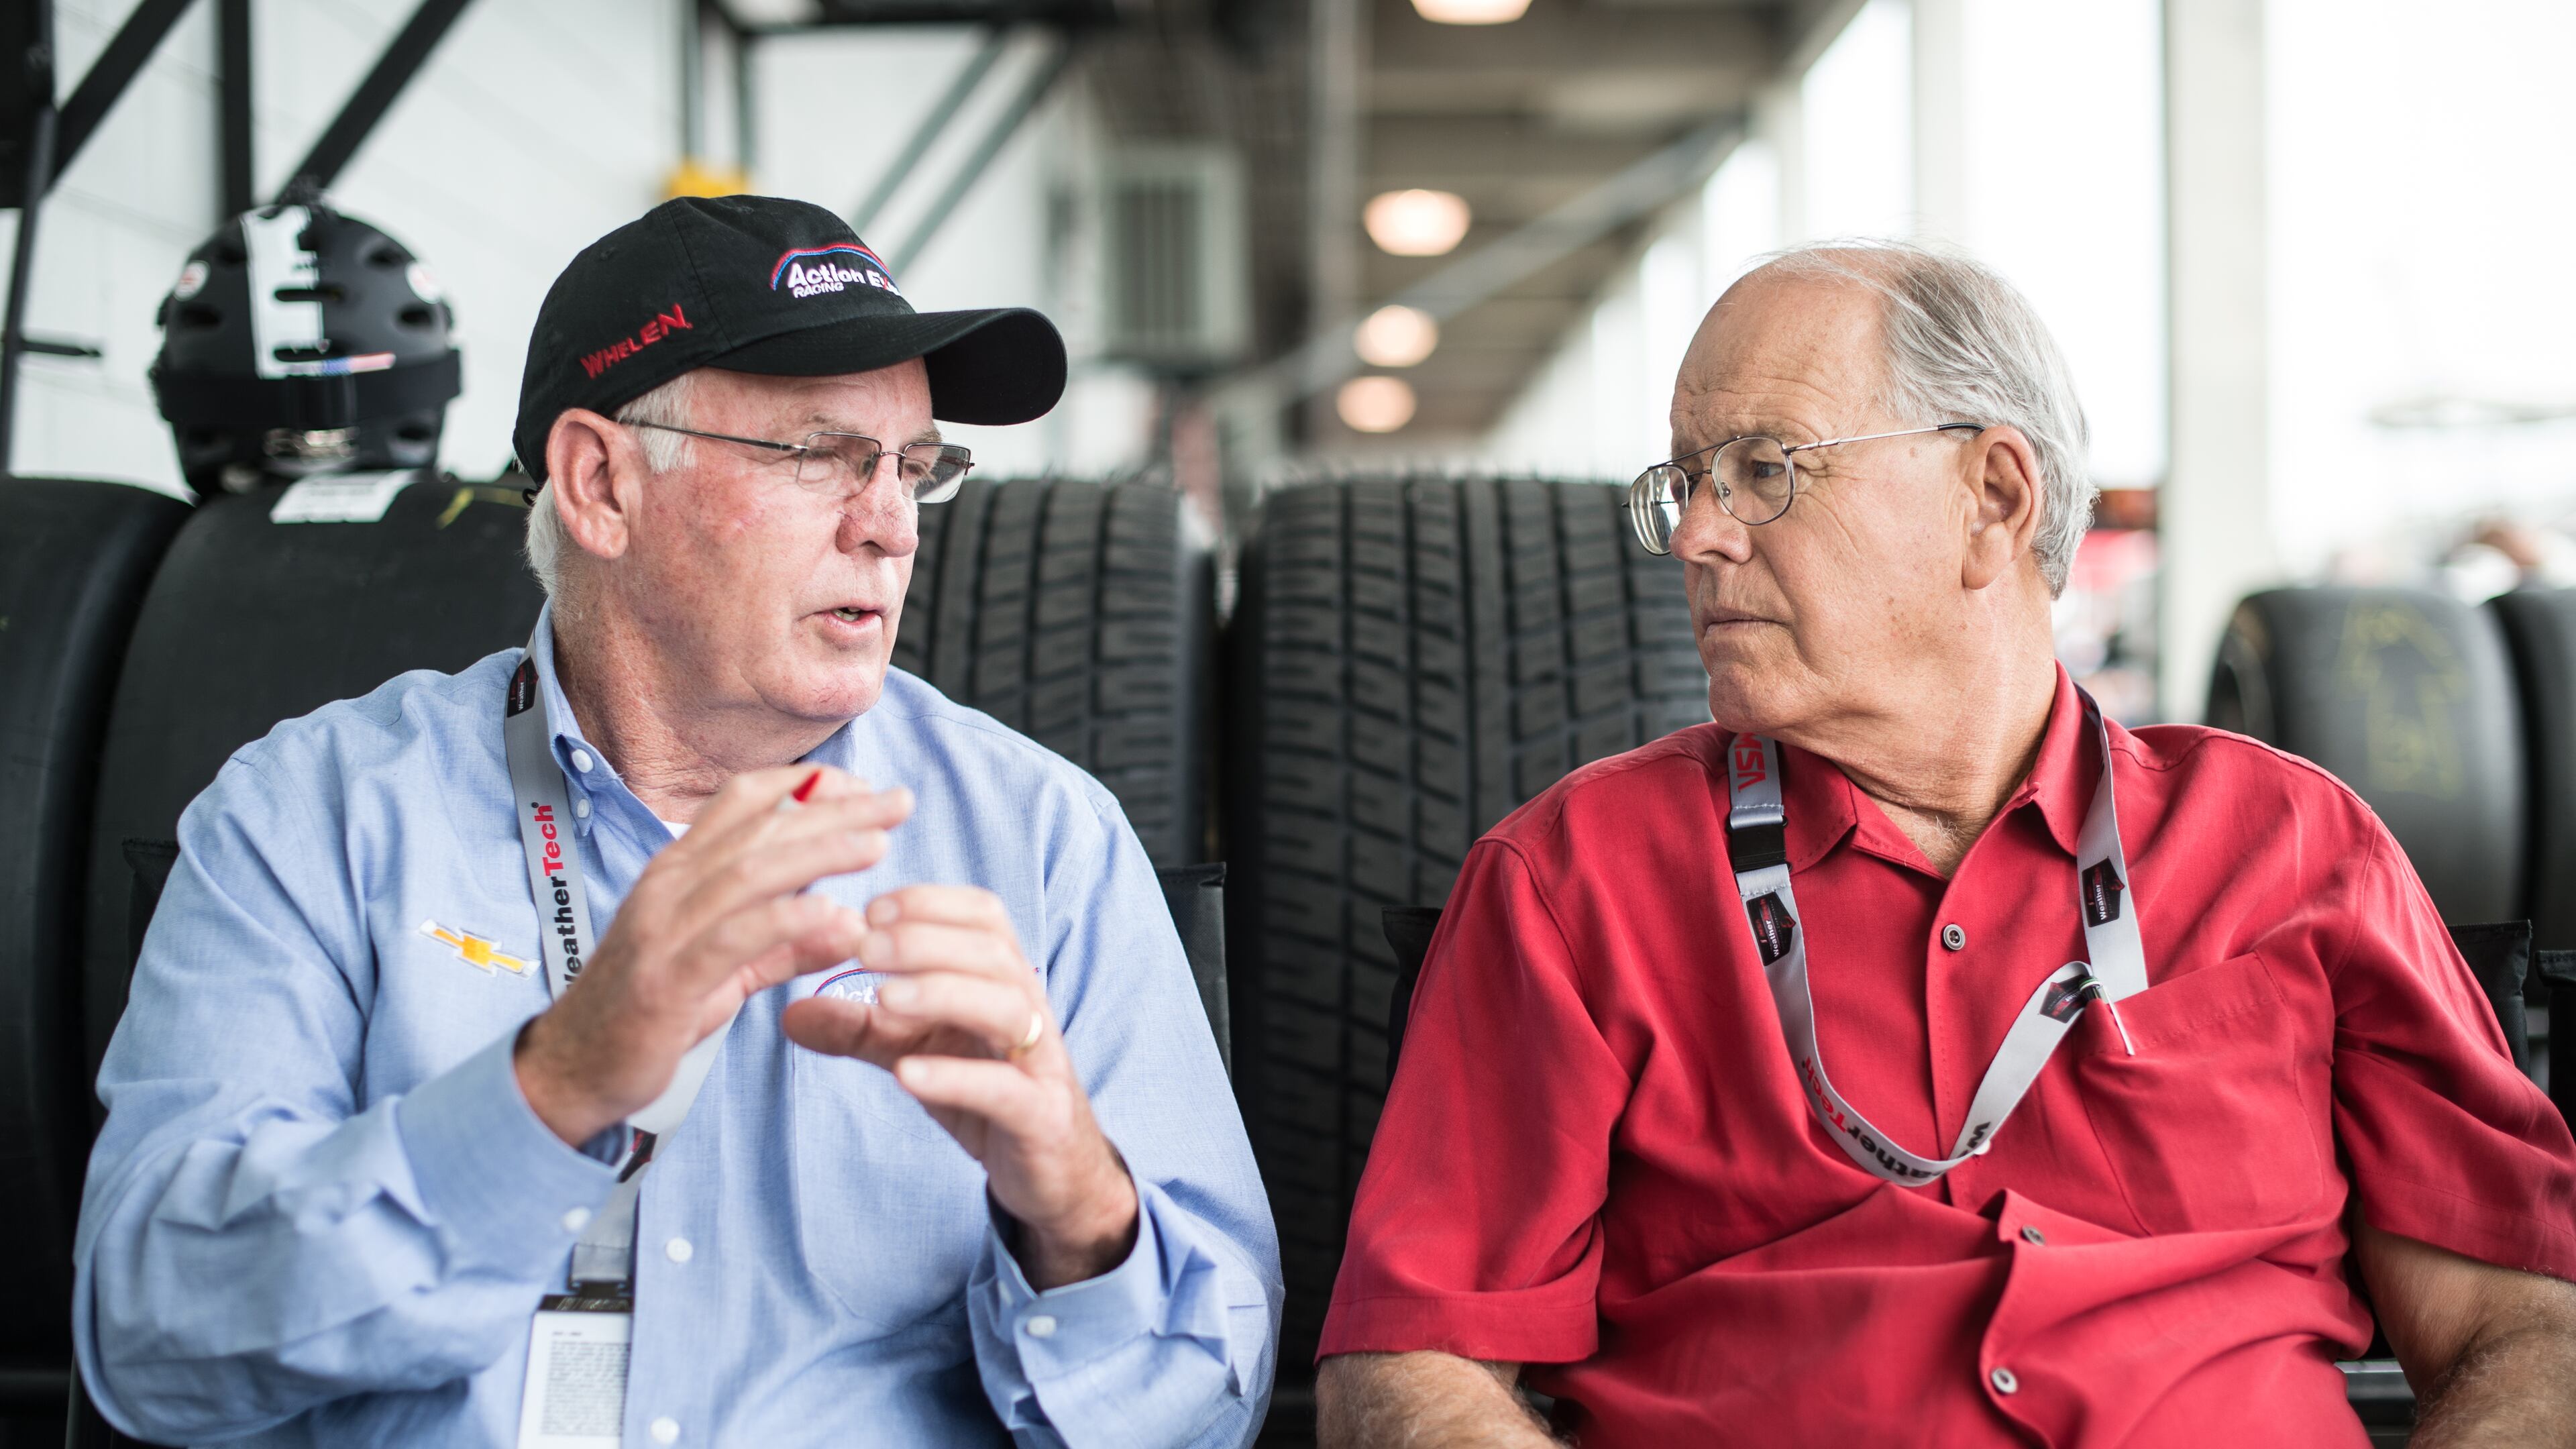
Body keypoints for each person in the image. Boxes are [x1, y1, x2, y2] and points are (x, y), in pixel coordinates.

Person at [1315, 241, 2576, 1446]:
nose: (1698, 535)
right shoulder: (1571, 884)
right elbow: (1412, 1373)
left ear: (1993, 498)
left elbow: (2521, 1330)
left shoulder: (2294, 848)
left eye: (1762, 469)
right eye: (1687, 482)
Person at [75, 195, 1279, 1448]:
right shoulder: (313, 816)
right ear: (600, 483)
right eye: (818, 454)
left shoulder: (1041, 842)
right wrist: (557, 1084)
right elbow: (156, 1344)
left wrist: (1078, 1211)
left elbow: (1214, 1407)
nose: (889, 523)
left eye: (913, 465)